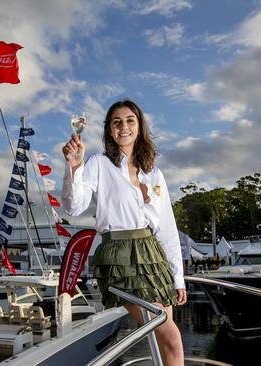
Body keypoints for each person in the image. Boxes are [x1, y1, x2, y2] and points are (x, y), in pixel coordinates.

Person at [61, 99, 186, 365]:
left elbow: (167, 230)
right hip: (119, 255)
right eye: (117, 122)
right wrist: (73, 166)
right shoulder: (98, 163)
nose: (124, 126)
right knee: (170, 337)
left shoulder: (154, 173)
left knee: (167, 341)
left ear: (139, 126)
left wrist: (178, 278)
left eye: (130, 120)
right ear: (109, 130)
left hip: (153, 255)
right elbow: (73, 207)